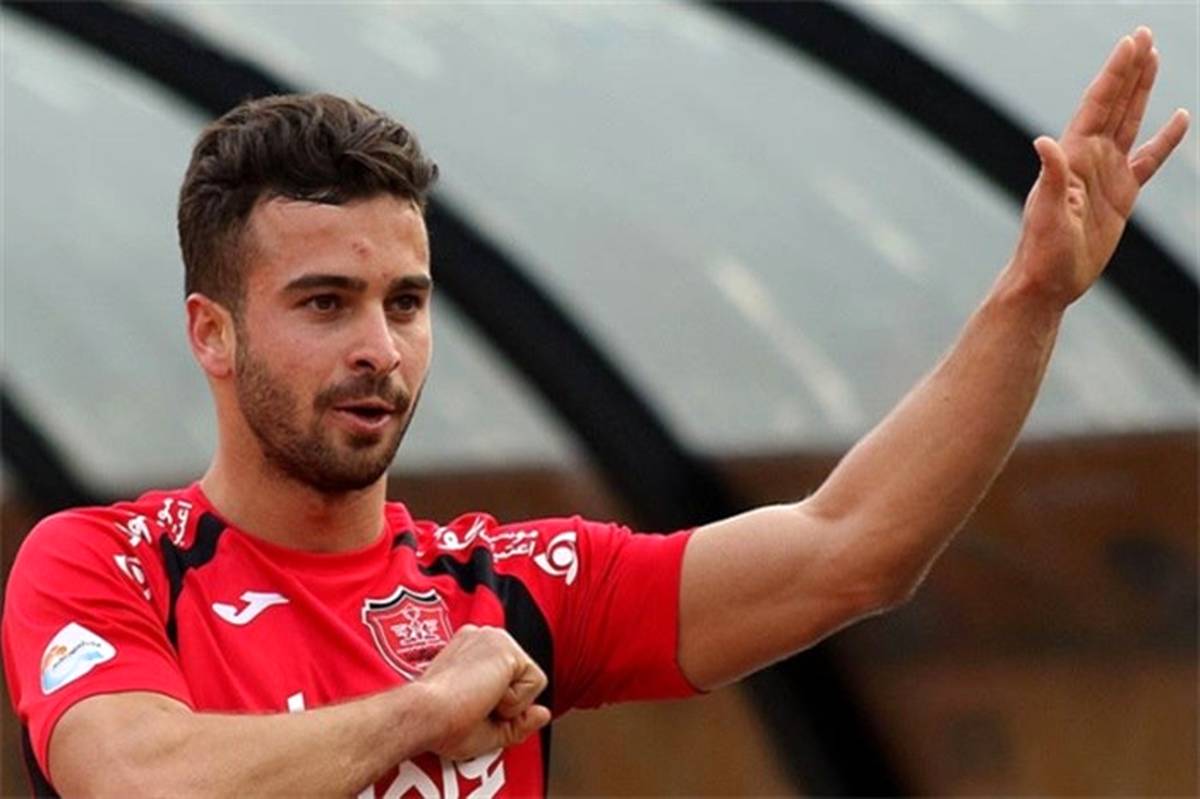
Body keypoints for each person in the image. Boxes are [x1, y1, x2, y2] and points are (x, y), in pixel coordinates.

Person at [2, 26, 1189, 798]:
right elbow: (136, 778)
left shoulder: (512, 587)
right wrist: (424, 711)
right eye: (325, 302)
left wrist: (1033, 296)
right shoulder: (105, 562)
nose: (379, 347)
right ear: (211, 332)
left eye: (405, 301)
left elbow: (851, 547)